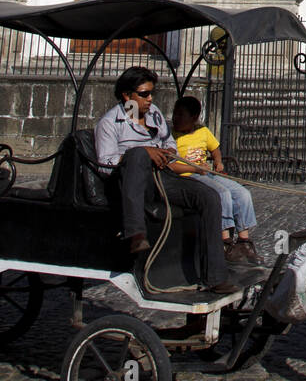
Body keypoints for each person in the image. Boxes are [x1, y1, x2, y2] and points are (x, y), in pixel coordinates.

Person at [94, 66, 237, 294]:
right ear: (127, 96)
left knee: (209, 196)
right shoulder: (110, 123)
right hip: (132, 182)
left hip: (162, 177)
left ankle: (215, 276)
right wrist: (143, 152)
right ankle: (135, 233)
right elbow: (105, 163)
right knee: (138, 153)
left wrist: (167, 152)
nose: (150, 99)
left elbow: (169, 141)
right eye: (144, 94)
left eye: (152, 93)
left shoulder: (154, 115)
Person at [170, 97, 262, 264]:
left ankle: (243, 241)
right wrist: (196, 169)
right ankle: (224, 242)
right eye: (175, 114)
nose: (175, 118)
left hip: (206, 172)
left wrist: (218, 162)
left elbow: (215, 149)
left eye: (180, 115)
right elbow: (171, 165)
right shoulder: (171, 136)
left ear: (193, 117)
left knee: (242, 193)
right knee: (222, 193)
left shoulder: (203, 131)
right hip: (188, 176)